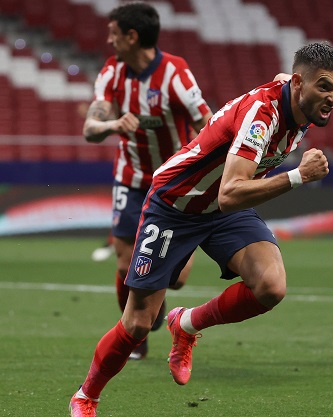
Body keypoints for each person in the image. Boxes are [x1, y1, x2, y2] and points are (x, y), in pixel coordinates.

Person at [68, 41, 333, 416]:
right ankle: (86, 396)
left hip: (221, 208)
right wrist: (297, 176)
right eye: (325, 87)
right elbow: (232, 192)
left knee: (271, 286)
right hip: (178, 204)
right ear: (299, 83)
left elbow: (230, 196)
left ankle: (185, 323)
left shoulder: (300, 102)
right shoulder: (262, 117)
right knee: (137, 323)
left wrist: (301, 88)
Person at [82, 2, 213, 360]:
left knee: (176, 277)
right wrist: (111, 125)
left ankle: (157, 292)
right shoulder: (112, 73)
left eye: (113, 34)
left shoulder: (175, 73)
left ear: (132, 36)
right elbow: (90, 129)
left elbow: (209, 124)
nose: (109, 41)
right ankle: (134, 335)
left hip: (176, 182)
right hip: (131, 178)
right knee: (126, 266)